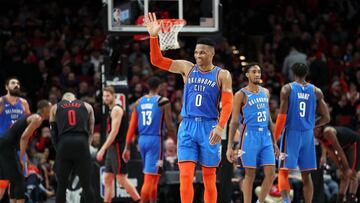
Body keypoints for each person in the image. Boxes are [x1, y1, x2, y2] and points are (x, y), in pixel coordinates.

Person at [146, 12, 233, 203]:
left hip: (209, 127)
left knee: (209, 178)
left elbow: (228, 104)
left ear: (211, 53)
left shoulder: (222, 75)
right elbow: (157, 61)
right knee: (186, 175)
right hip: (187, 126)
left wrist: (220, 127)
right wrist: (154, 37)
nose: (198, 55)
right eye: (196, 52)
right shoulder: (187, 68)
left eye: (202, 52)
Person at [273, 63, 330, 203]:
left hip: (292, 133)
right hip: (308, 135)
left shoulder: (287, 89)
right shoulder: (316, 91)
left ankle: (286, 201)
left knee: (283, 171)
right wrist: (310, 125)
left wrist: (274, 139)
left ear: (293, 73)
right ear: (307, 73)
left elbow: (281, 117)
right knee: (306, 175)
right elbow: (327, 117)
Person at [226, 63, 279, 203]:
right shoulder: (240, 94)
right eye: (254, 72)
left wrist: (275, 143)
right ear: (247, 75)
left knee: (271, 173)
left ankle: (260, 201)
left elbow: (269, 120)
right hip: (249, 135)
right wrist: (229, 146)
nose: (257, 74)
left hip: (266, 136)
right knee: (250, 175)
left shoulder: (266, 92)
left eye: (259, 72)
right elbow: (234, 122)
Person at [123, 76, 175, 203]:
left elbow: (131, 126)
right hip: (155, 141)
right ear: (159, 87)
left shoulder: (138, 102)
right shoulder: (163, 101)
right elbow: (170, 126)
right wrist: (177, 142)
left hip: (142, 141)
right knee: (149, 178)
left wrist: (127, 147)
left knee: (154, 176)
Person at [0, 100, 51, 203]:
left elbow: (21, 137)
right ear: (45, 109)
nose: (52, 111)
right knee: (19, 178)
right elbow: (24, 138)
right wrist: (22, 158)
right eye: (50, 108)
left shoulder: (34, 117)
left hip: (8, 145)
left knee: (15, 179)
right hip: (7, 146)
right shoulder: (37, 118)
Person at [96, 86, 141, 203]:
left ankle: (139, 200)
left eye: (108, 96)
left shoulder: (116, 109)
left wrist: (102, 149)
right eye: (104, 96)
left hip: (117, 147)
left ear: (113, 96)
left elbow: (114, 132)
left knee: (121, 179)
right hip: (112, 148)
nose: (105, 98)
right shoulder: (111, 109)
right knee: (107, 177)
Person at [49, 92, 95, 203]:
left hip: (64, 144)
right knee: (87, 185)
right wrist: (86, 148)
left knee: (61, 186)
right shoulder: (87, 106)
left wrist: (58, 150)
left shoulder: (55, 107)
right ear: (75, 98)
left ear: (63, 99)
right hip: (81, 142)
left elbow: (53, 133)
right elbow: (91, 132)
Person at [0, 77, 31, 201]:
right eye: (13, 83)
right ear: (6, 87)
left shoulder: (23, 103)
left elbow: (29, 124)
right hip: (4, 145)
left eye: (18, 83)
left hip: (18, 145)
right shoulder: (1, 101)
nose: (16, 85)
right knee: (3, 182)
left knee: (18, 180)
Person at [314, 126, 360, 203]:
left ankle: (351, 199)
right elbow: (332, 154)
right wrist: (340, 168)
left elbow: (338, 149)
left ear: (318, 129)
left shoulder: (327, 132)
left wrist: (346, 168)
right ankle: (340, 199)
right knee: (344, 175)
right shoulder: (319, 137)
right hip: (345, 147)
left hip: (354, 143)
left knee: (352, 173)